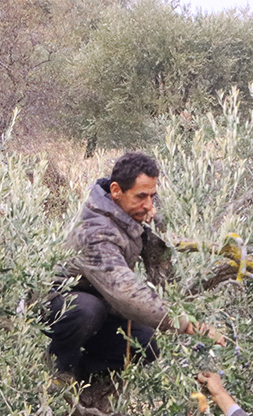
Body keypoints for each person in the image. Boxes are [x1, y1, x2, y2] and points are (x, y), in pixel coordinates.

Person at [46, 152, 224, 381]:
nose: (148, 204)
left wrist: (155, 230)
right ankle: (59, 368)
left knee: (145, 345)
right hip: (61, 304)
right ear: (116, 190)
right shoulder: (94, 231)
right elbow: (126, 293)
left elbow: (163, 277)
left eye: (152, 196)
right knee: (87, 310)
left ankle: (84, 376)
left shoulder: (132, 213)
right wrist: (186, 323)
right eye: (141, 196)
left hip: (104, 303)